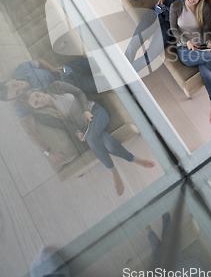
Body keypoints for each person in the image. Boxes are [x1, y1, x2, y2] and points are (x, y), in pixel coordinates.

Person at [19, 81, 155, 196]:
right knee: (108, 143)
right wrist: (78, 132)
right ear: (36, 108)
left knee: (91, 139)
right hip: (86, 128)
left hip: (94, 111)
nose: (40, 99)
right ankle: (135, 159)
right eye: (36, 103)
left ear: (37, 90)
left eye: (37, 95)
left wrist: (85, 110)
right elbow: (67, 125)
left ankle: (113, 172)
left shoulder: (55, 86)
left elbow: (79, 93)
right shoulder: (45, 116)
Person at [0, 57, 111, 161]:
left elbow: (39, 62)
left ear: (11, 80)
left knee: (105, 58)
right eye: (17, 93)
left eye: (15, 84)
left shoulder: (22, 69)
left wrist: (52, 69)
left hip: (65, 71)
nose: (21, 87)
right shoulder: (23, 104)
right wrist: (48, 151)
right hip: (75, 87)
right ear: (15, 98)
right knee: (112, 80)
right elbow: (30, 132)